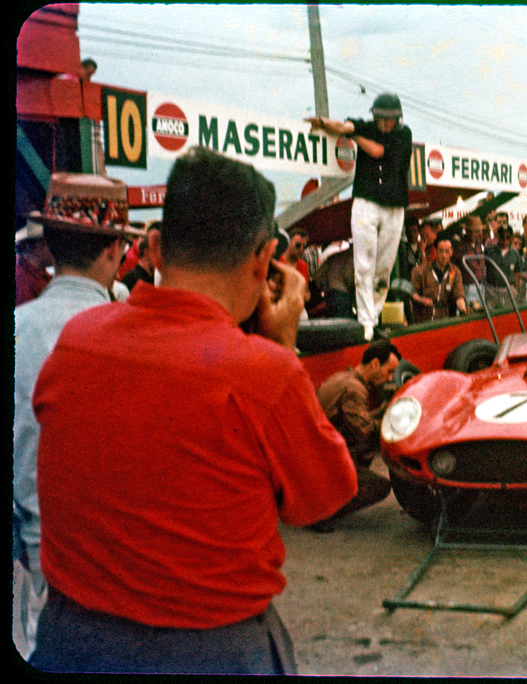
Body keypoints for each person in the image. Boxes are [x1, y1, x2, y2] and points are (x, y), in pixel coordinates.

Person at [28, 148, 357, 674]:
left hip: (71, 640)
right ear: (265, 256)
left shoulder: (76, 341)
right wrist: (283, 348)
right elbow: (324, 498)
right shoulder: (264, 374)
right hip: (213, 652)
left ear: (154, 247)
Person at [13, 174, 142, 661]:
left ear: (48, 245)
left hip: (32, 551)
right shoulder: (133, 336)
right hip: (116, 563)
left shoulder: (18, 329)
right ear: (115, 252)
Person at [307, 93, 412, 340]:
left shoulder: (403, 134)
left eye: (390, 119)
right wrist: (322, 123)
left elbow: (377, 151)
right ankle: (366, 323)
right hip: (366, 201)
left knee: (383, 268)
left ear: (397, 119)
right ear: (375, 116)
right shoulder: (365, 126)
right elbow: (343, 126)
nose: (385, 123)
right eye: (382, 119)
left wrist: (353, 135)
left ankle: (372, 318)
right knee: (364, 264)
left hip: (393, 206)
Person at [311, 340, 402, 531]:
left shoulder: (342, 378)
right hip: (318, 461)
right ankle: (320, 513)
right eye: (389, 371)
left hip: (312, 454)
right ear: (375, 364)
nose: (389, 378)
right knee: (381, 487)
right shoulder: (354, 389)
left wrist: (383, 409)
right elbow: (366, 429)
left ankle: (322, 495)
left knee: (363, 450)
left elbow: (358, 418)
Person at [411, 234, 467, 323]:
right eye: (441, 251)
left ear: (451, 252)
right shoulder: (421, 271)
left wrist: (463, 309)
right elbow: (412, 293)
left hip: (444, 321)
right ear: (436, 251)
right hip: (423, 322)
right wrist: (421, 299)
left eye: (447, 251)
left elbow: (459, 295)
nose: (444, 255)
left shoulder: (455, 272)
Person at [484, 224, 527, 308]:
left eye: (508, 237)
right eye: (502, 237)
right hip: (492, 289)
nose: (504, 240)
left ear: (511, 238)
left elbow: (517, 273)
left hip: (508, 289)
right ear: (498, 237)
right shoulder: (489, 251)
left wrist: (516, 290)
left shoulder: (515, 253)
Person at [14, 218, 53, 306]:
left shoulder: (41, 273)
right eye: (53, 245)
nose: (57, 251)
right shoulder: (22, 282)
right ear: (40, 246)